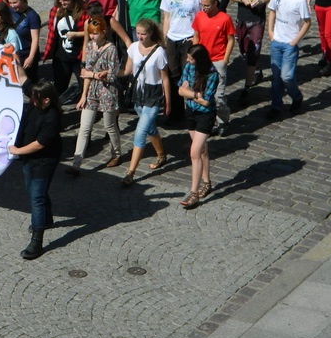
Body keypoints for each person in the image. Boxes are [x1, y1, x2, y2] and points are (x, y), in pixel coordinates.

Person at [8, 81, 63, 260]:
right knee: (33, 190)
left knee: (36, 197)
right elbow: (23, 77)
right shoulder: (36, 100)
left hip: (44, 161)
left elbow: (39, 144)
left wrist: (17, 151)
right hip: (29, 159)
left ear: (46, 100)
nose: (32, 101)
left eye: (36, 98)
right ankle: (46, 219)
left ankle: (36, 241)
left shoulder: (52, 117)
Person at [68, 18, 122, 174]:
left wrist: (95, 74)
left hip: (108, 92)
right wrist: (83, 95)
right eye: (90, 34)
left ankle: (116, 154)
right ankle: (76, 164)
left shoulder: (111, 49)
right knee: (84, 128)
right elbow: (86, 74)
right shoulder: (91, 47)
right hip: (92, 90)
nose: (92, 37)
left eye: (95, 34)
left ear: (103, 33)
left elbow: (112, 75)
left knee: (109, 125)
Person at [120, 18, 170, 186]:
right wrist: (111, 73)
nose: (139, 37)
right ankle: (162, 155)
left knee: (140, 132)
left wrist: (168, 101)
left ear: (150, 33)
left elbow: (165, 78)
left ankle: (130, 172)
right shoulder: (133, 48)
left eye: (143, 34)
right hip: (138, 94)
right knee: (150, 128)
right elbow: (127, 70)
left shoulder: (159, 52)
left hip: (153, 95)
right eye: (138, 33)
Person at [228, 0, 276, 101]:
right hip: (241, 19)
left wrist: (261, 1)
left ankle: (247, 87)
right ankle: (255, 70)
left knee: (252, 52)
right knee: (243, 50)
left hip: (257, 20)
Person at [161, 0, 204, 124]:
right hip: (172, 39)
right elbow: (166, 17)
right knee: (173, 75)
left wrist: (195, 38)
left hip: (188, 39)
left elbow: (200, 18)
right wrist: (165, 38)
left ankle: (192, 112)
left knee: (189, 77)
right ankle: (175, 113)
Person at [266, 0, 311, 120]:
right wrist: (271, 32)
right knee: (276, 76)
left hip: (289, 44)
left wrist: (296, 40)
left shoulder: (300, 0)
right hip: (276, 41)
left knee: (287, 76)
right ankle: (276, 106)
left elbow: (307, 22)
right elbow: (272, 11)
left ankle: (296, 96)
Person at [178, 44, 219, 209]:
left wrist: (190, 93)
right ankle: (207, 182)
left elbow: (207, 101)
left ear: (200, 60)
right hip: (191, 112)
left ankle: (194, 193)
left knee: (194, 152)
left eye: (191, 58)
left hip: (205, 115)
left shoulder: (212, 74)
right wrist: (195, 95)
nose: (188, 61)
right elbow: (181, 90)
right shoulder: (189, 66)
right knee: (202, 150)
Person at [192, 0, 235, 136]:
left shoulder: (224, 19)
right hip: (202, 61)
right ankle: (209, 122)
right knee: (203, 94)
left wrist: (225, 59)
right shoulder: (199, 16)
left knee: (218, 97)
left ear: (215, 3)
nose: (203, 8)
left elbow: (230, 39)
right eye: (202, 5)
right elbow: (196, 36)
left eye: (206, 6)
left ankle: (223, 121)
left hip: (218, 60)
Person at [42, 0, 88, 97]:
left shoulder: (84, 12)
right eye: (60, 0)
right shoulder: (55, 11)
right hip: (61, 57)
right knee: (59, 87)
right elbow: (52, 32)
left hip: (79, 56)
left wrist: (77, 34)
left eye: (65, 0)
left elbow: (94, 32)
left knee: (85, 85)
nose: (63, 3)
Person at [8, 0, 41, 87]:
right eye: (10, 3)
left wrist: (31, 57)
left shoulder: (32, 16)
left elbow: (35, 39)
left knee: (29, 83)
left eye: (15, 2)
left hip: (26, 53)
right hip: (14, 53)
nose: (12, 5)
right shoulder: (10, 11)